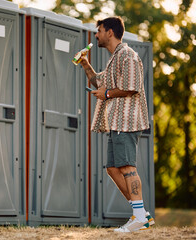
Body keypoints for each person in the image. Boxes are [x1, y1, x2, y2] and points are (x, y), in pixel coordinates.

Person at [79, 17, 154, 232]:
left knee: (127, 167)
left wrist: (107, 93)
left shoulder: (128, 55)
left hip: (127, 120)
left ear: (110, 32)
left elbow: (132, 88)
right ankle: (142, 215)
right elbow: (99, 82)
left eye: (99, 31)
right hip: (115, 121)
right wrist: (85, 63)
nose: (96, 35)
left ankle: (139, 216)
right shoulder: (115, 59)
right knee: (112, 168)